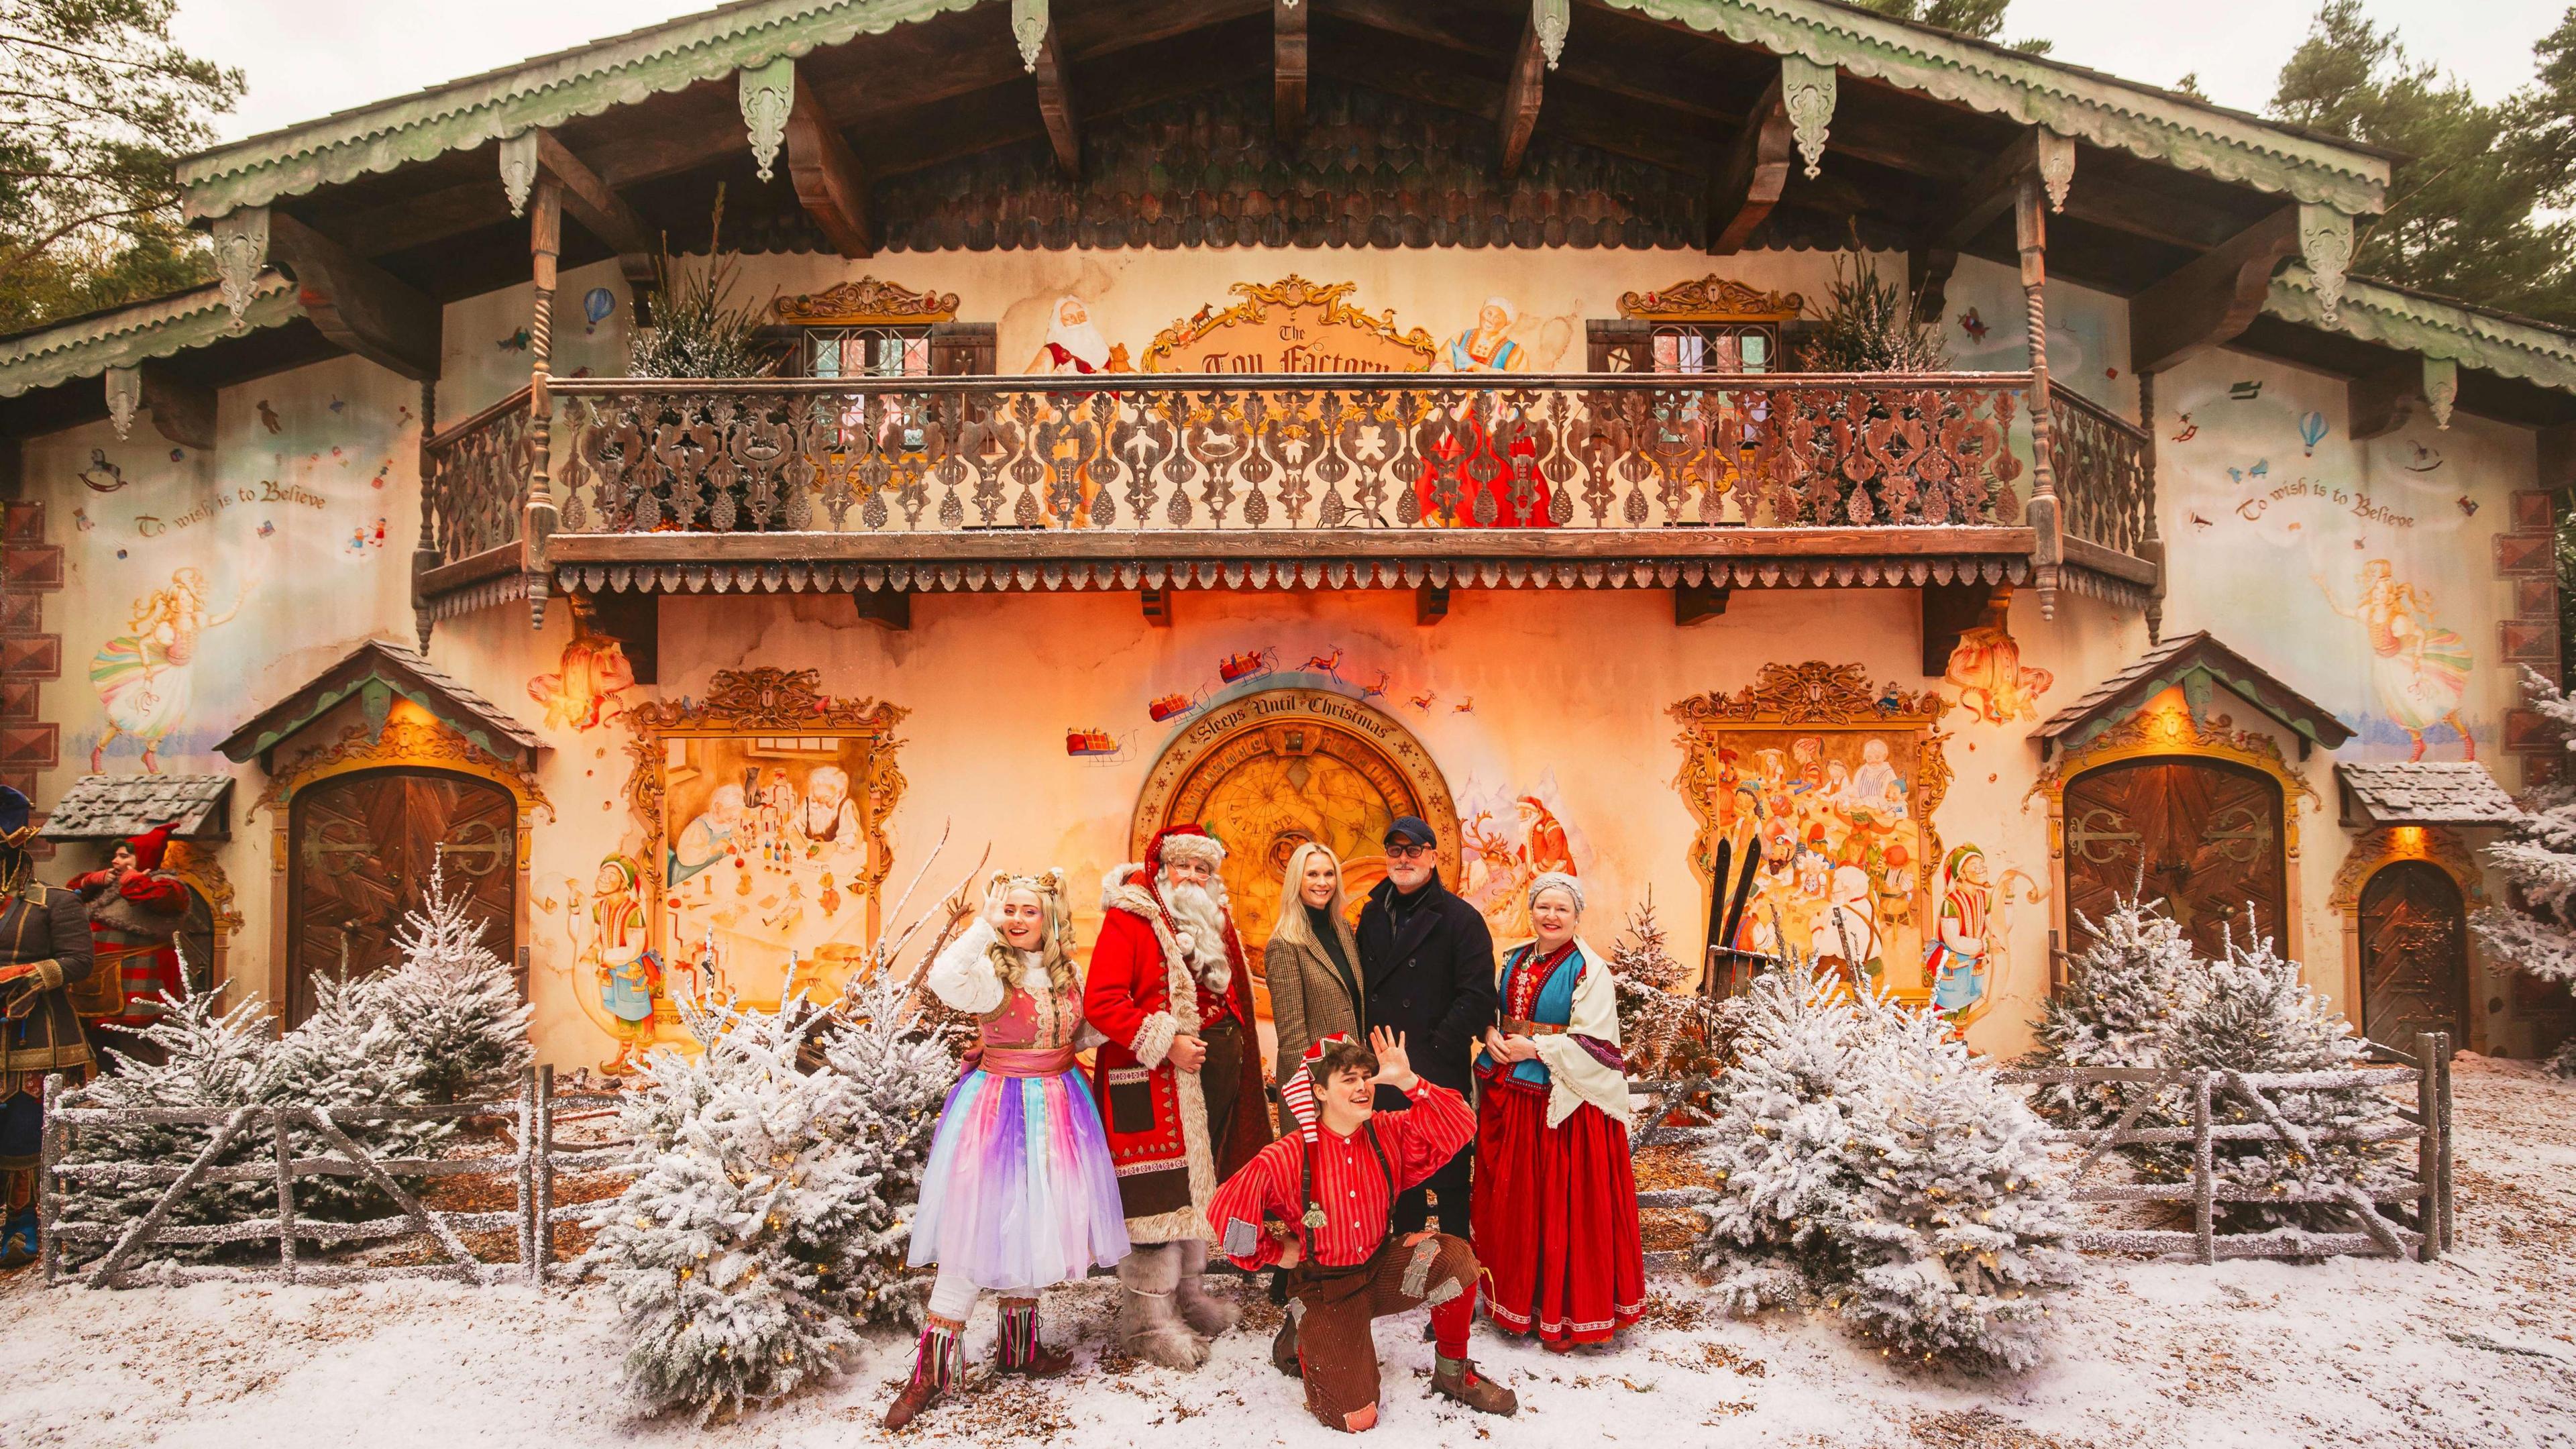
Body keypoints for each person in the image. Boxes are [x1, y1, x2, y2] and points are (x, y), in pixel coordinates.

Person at [888, 870, 1128, 1428]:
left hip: (1062, 1108)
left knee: (1034, 1218)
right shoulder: (990, 977)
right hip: (998, 1112)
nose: (1017, 921)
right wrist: (983, 925)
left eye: (1028, 911)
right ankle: (930, 1371)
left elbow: (1085, 1031)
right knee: (975, 1230)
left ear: (1049, 918)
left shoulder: (1068, 976)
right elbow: (945, 977)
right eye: (1010, 911)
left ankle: (1020, 1348)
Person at [1208, 1028, 1519, 1431]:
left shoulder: (1386, 1132)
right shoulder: (1288, 1156)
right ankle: (1302, 1332)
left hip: (1380, 1268)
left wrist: (1410, 1081)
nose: (1362, 1088)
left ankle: (1452, 1373)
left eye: (1364, 1077)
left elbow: (1461, 1126)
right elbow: (1228, 1213)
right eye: (1347, 1079)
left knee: (1455, 1258)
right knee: (1357, 1418)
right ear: (1318, 1091)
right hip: (1326, 1286)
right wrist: (1272, 1253)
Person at [1084, 825, 1274, 1368]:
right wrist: (1167, 1044)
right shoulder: (1132, 916)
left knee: (1194, 1197)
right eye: (1183, 868)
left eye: (1203, 869)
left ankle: (1187, 1299)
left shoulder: (1215, 920)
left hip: (1204, 1086)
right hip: (1152, 1083)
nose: (1192, 877)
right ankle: (1146, 1323)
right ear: (1163, 870)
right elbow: (1101, 1001)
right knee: (1156, 1206)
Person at [1471, 873, 1646, 1350]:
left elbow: (1598, 1045)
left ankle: (1561, 1309)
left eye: (1561, 909)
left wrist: (1537, 1048)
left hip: (1557, 1104)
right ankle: (1511, 1299)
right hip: (1509, 1087)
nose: (1551, 916)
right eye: (1543, 907)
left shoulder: (1590, 970)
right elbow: (1491, 1007)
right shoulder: (1513, 959)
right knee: (1513, 1200)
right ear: (1533, 910)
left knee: (1552, 1202)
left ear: (1576, 916)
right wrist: (1489, 1032)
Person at [1355, 816, 1496, 1238]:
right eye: (1395, 850)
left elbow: (1476, 997)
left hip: (1435, 1069)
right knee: (1399, 1176)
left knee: (1450, 1176)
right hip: (1384, 1066)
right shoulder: (1372, 913)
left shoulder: (1461, 919)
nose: (1404, 859)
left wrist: (1432, 1053)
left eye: (1414, 850)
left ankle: (1455, 1270)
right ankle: (1403, 1270)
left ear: (1432, 857)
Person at [0, 786, 97, 1264]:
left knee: (23, 1132)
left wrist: (26, 974)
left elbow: (80, 962)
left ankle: (23, 1225)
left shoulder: (55, 903)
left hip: (36, 1034)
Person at [65, 824, 192, 1042]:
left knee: (136, 1045)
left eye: (124, 856)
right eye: (115, 856)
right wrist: (89, 882)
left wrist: (134, 880)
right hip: (99, 982)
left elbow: (157, 899)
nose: (115, 862)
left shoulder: (169, 885)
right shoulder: (108, 886)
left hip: (137, 982)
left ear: (142, 857)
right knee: (101, 1046)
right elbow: (67, 899)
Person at [1263, 841, 1365, 1100]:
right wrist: (1317, 1091)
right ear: (1297, 880)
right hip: (1317, 1087)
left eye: (1329, 874)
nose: (1323, 882)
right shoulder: (1285, 943)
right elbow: (1292, 1036)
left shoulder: (1342, 929)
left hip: (1351, 1079)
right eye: (1312, 874)